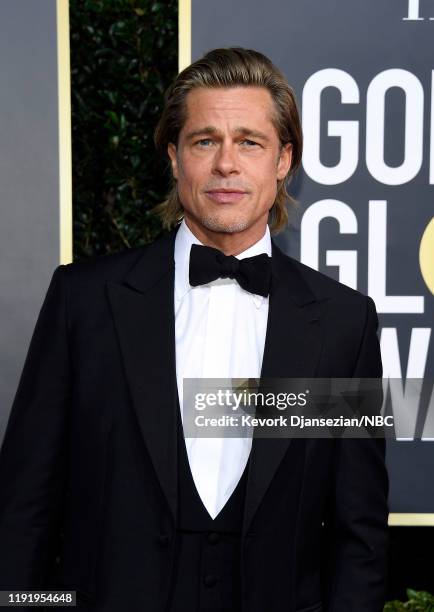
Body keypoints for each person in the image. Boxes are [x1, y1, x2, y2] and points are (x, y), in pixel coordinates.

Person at [0, 47, 388, 611]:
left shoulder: (344, 323)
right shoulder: (83, 300)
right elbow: (24, 509)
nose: (226, 164)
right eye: (205, 141)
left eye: (249, 142)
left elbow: (360, 535)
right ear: (175, 157)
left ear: (283, 160)